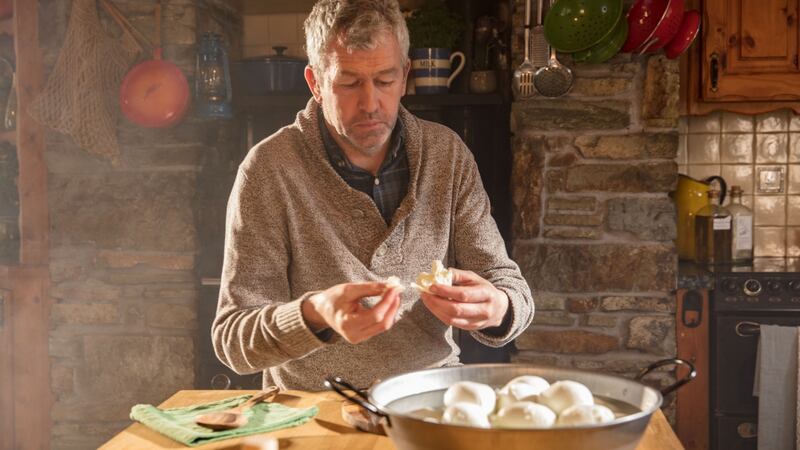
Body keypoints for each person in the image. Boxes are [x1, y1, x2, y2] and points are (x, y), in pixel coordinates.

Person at [212, 0, 534, 391]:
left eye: (384, 81)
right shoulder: (269, 168)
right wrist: (314, 315)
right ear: (315, 84)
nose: (370, 105)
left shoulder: (447, 155)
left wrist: (498, 306)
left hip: (430, 398)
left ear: (405, 76)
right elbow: (233, 340)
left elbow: (507, 283)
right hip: (314, 406)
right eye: (348, 83)